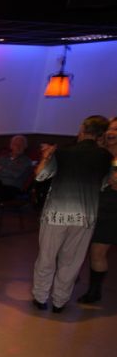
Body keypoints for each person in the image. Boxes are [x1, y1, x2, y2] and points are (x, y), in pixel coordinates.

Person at [32, 116, 112, 313]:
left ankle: (40, 297)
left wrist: (46, 156)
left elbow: (41, 175)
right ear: (101, 134)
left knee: (47, 257)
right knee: (72, 261)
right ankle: (59, 301)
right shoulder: (105, 157)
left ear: (82, 129)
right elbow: (106, 184)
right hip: (84, 216)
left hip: (56, 213)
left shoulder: (63, 153)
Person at [78, 116, 117, 304]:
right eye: (110, 128)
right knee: (78, 246)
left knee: (98, 252)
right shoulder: (99, 152)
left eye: (116, 130)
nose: (112, 132)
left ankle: (94, 291)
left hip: (111, 210)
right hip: (90, 205)